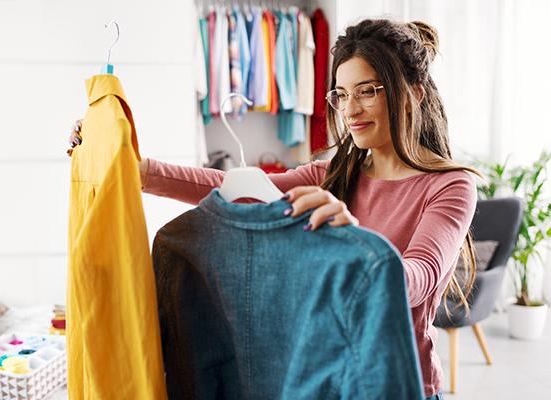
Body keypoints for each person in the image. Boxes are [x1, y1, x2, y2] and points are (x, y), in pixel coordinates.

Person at [68, 18, 482, 400]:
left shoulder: (450, 185)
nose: (351, 110)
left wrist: (352, 237)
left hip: (400, 386)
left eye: (367, 91)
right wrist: (131, 168)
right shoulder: (333, 174)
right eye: (341, 95)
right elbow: (237, 189)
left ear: (412, 95)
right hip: (328, 379)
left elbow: (417, 278)